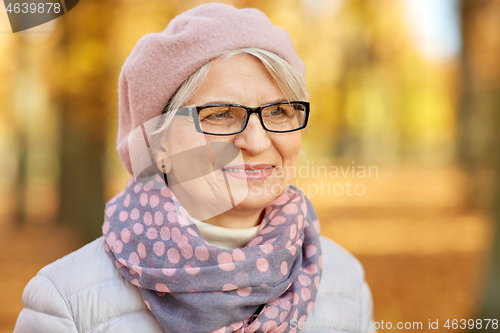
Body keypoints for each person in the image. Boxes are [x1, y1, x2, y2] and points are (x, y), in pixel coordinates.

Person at [14, 3, 375, 333]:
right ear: (160, 145)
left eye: (278, 112)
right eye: (220, 114)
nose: (257, 141)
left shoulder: (343, 282)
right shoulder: (65, 303)